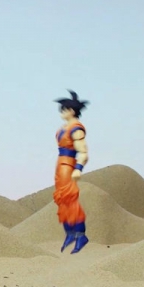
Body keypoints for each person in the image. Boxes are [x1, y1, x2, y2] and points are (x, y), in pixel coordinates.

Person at [53, 90, 90, 254]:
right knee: (62, 199)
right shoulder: (64, 128)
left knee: (70, 198)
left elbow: (83, 152)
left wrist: (78, 168)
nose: (62, 112)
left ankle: (80, 235)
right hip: (60, 165)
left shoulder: (76, 129)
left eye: (64, 109)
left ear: (72, 110)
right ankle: (70, 233)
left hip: (68, 165)